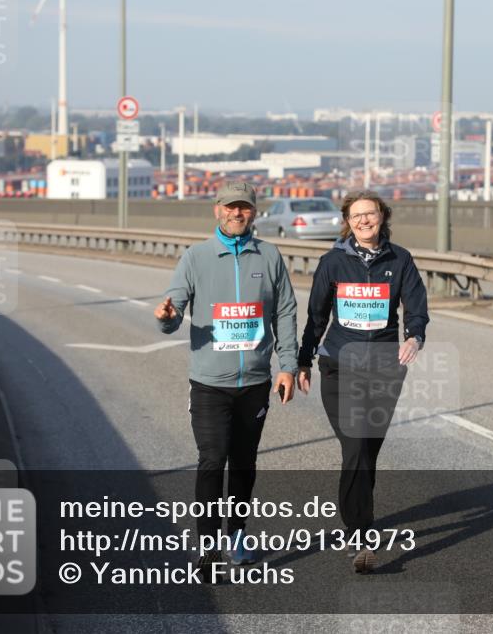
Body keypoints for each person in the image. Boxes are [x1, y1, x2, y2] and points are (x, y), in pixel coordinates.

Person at [154, 180, 298, 573]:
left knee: (244, 462)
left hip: (254, 382)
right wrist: (168, 318)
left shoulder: (269, 256)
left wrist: (287, 366)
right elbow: (175, 306)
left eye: (245, 208)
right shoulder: (196, 257)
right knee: (212, 460)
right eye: (231, 207)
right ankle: (208, 545)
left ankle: (236, 535)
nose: (238, 213)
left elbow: (284, 312)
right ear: (217, 210)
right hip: (209, 384)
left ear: (254, 212)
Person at [297, 190, 429, 574]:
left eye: (370, 214)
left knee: (368, 451)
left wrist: (414, 335)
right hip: (339, 367)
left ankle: (356, 522)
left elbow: (416, 307)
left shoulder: (400, 259)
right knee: (355, 446)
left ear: (382, 216)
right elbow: (317, 316)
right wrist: (304, 361)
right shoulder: (333, 262)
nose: (364, 221)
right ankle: (360, 536)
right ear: (347, 221)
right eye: (356, 216)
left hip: (385, 368)